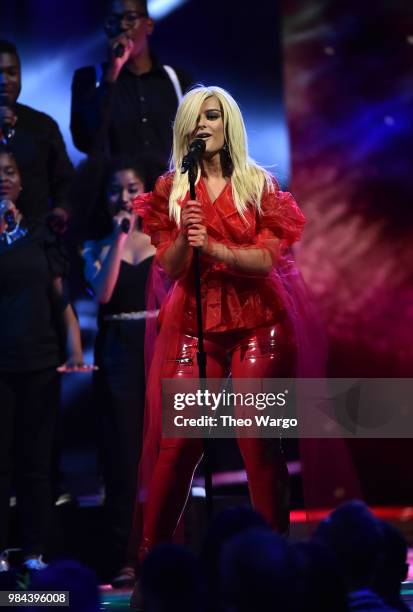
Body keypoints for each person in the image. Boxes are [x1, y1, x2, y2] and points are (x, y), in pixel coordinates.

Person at [130, 85, 307, 585]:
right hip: (194, 321)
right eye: (196, 118)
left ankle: (274, 563)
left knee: (258, 439)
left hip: (259, 321)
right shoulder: (172, 188)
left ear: (229, 124)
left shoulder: (258, 185)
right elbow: (169, 265)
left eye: (213, 116)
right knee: (179, 444)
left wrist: (218, 247)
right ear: (184, 129)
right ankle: (151, 567)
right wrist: (188, 242)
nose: (204, 125)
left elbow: (268, 259)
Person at [0, 148, 83, 571]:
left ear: (21, 180)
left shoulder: (42, 235)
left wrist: (75, 351)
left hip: (38, 361)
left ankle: (33, 552)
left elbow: (60, 299)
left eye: (9, 171)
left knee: (35, 463)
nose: (3, 178)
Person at [81, 157, 156, 587]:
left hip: (156, 347)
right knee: (123, 459)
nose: (124, 197)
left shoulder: (163, 243)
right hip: (117, 354)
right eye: (116, 190)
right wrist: (119, 237)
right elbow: (105, 293)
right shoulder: (93, 247)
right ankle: (126, 557)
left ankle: (168, 547)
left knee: (167, 454)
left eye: (132, 188)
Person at [70, 0, 192, 166]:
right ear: (106, 28)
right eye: (114, 20)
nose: (122, 26)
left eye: (130, 18)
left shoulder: (178, 80)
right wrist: (112, 74)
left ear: (148, 25)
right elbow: (85, 141)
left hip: (170, 189)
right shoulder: (89, 79)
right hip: (119, 190)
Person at [0, 40, 73, 231]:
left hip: (36, 237)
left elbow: (65, 180)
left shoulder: (42, 126)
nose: (4, 81)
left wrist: (61, 209)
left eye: (11, 72)